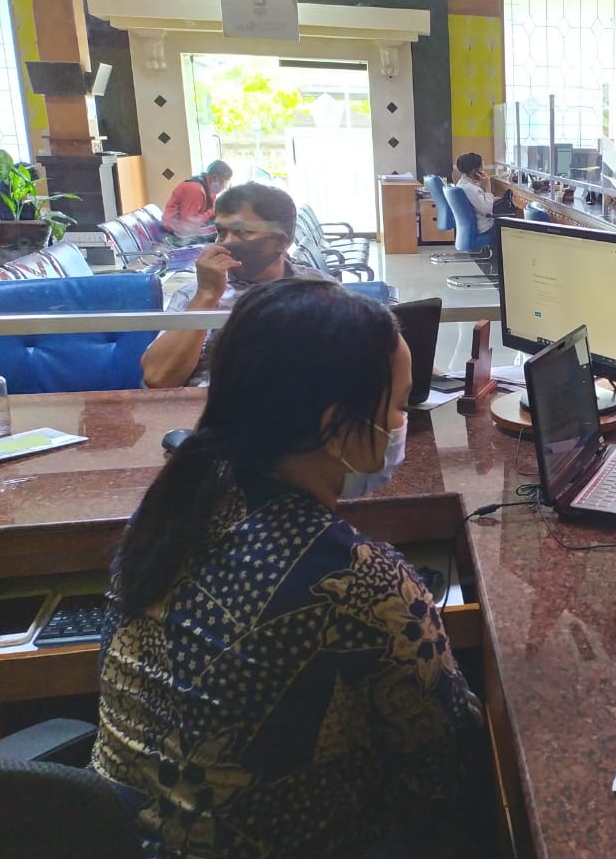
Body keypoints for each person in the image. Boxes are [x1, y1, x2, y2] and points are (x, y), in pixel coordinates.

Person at [92, 278, 490, 858]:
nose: (402, 422)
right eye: (400, 405)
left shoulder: (168, 514)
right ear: (334, 425)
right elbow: (448, 769)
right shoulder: (360, 581)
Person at [142, 182, 330, 388]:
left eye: (242, 232)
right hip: (209, 402)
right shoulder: (193, 294)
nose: (226, 242)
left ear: (280, 242)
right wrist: (206, 297)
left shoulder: (318, 290)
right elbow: (158, 378)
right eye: (221, 232)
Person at [162, 160, 233, 242]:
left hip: (184, 228)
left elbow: (211, 211)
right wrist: (212, 212)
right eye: (225, 182)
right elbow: (188, 222)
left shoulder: (208, 189)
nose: (225, 186)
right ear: (215, 177)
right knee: (223, 230)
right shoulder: (195, 190)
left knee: (223, 224)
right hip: (176, 233)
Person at [455, 152, 496, 236]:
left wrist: (491, 198)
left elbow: (477, 201)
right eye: (481, 168)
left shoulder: (461, 183)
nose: (483, 171)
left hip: (474, 226)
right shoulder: (470, 188)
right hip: (485, 228)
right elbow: (488, 211)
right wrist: (488, 187)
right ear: (474, 171)